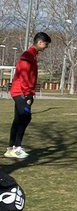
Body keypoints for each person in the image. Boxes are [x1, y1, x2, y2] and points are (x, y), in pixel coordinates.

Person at [5, 32, 51, 160]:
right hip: (21, 92)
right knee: (25, 118)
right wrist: (27, 94)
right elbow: (24, 76)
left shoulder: (33, 56)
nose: (46, 47)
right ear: (40, 42)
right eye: (45, 45)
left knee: (19, 119)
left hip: (22, 92)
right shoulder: (27, 56)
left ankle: (10, 148)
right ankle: (17, 147)